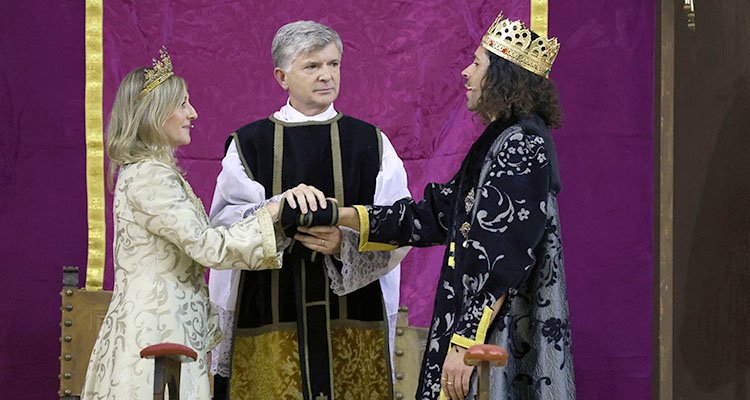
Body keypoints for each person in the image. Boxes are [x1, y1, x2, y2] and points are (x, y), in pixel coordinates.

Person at [331, 12, 576, 400]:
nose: (466, 72)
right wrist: (342, 219)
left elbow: (503, 257)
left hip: (494, 334)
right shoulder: (499, 139)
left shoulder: (521, 144)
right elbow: (437, 214)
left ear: (503, 78)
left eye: (477, 63)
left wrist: (464, 345)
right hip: (473, 328)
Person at [207, 20, 411, 399]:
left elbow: (400, 225)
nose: (326, 76)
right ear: (282, 76)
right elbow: (222, 229)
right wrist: (278, 215)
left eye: (333, 64)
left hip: (352, 311)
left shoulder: (370, 141)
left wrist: (345, 244)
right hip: (268, 309)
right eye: (312, 66)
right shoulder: (250, 144)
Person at [81, 48, 285, 400]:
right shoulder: (149, 176)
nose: (193, 113)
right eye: (183, 105)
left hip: (163, 328)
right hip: (157, 332)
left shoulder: (151, 172)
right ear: (154, 114)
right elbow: (207, 246)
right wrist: (271, 214)